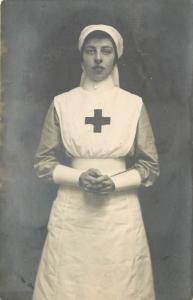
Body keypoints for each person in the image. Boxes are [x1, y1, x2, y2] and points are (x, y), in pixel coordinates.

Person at [32, 24, 159, 300]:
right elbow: (43, 163)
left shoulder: (132, 104)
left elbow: (149, 167)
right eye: (91, 51)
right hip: (73, 209)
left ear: (115, 57)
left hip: (119, 212)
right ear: (82, 57)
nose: (98, 58)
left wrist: (113, 184)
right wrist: (78, 178)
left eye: (106, 51)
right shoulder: (62, 104)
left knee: (120, 284)